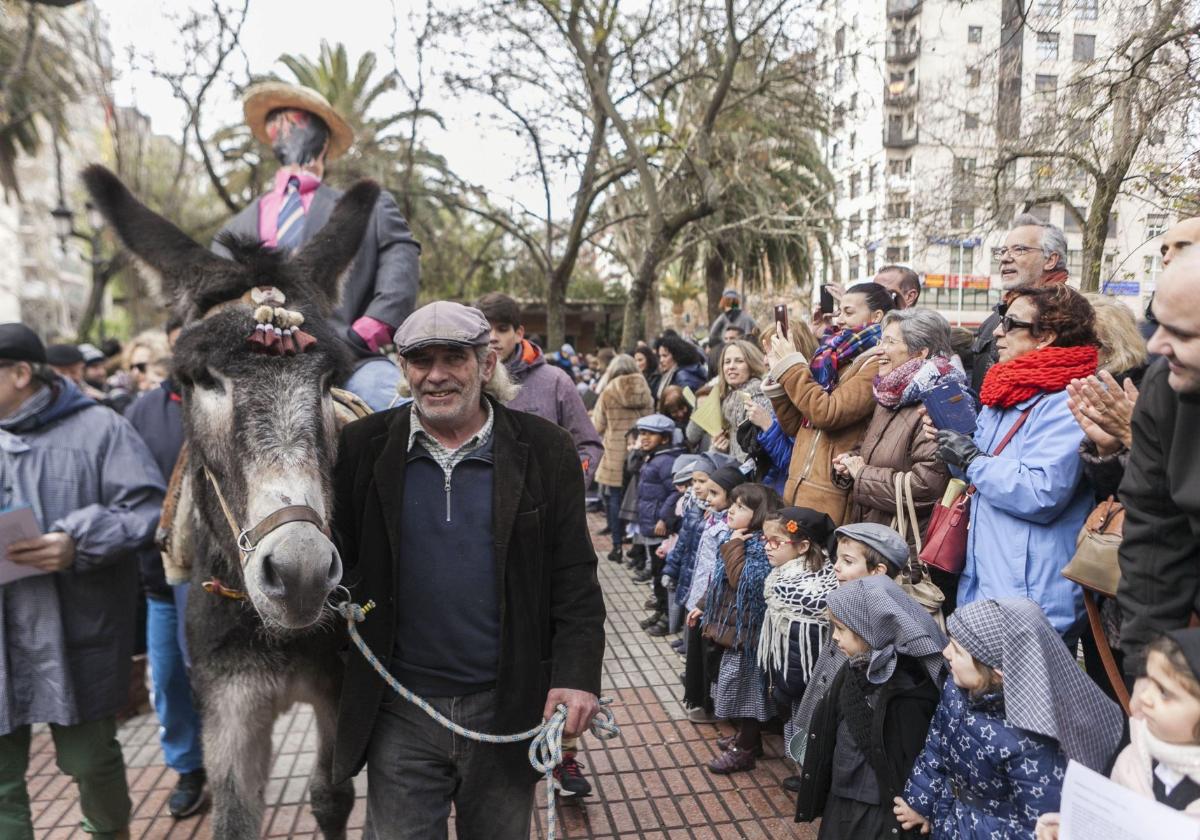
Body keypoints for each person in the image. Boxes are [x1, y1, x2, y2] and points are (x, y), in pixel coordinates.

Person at [330, 301, 606, 838]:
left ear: (486, 363)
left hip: (506, 706)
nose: (435, 375)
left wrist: (575, 676)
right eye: (419, 359)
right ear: (403, 367)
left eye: (453, 357)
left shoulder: (545, 449)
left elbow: (574, 575)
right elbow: (337, 565)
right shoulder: (362, 447)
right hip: (400, 711)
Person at [0, 324, 165, 840]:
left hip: (76, 630)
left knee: (91, 761)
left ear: (21, 374)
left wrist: (77, 541)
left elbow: (148, 509)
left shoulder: (99, 427)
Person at [212, 82, 421, 411]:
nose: (284, 130)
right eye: (275, 123)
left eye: (295, 122)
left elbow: (401, 270)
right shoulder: (234, 229)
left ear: (323, 140)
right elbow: (216, 300)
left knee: (395, 406)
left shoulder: (372, 207)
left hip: (351, 365)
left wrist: (360, 336)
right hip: (254, 368)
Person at [930, 283, 1098, 637]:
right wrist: (954, 446)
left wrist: (973, 459)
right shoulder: (1005, 390)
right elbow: (982, 473)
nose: (997, 331)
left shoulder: (1069, 400)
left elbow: (1042, 492)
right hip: (990, 579)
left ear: (1047, 336)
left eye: (1011, 323)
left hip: (1030, 595)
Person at [895, 598, 1124, 840]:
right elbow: (936, 746)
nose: (945, 652)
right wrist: (920, 801)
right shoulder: (956, 688)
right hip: (949, 817)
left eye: (958, 650)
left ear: (997, 674)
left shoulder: (1034, 742)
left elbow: (1036, 826)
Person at [122, 331, 207, 819]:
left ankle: (232, 763)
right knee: (171, 678)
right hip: (162, 580)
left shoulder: (234, 393)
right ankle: (188, 766)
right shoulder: (139, 414)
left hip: (225, 582)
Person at [795, 576, 945, 839]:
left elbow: (908, 759)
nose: (835, 637)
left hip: (876, 810)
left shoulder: (907, 690)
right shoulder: (855, 665)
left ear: (868, 630)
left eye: (841, 629)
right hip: (844, 793)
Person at [834, 308, 961, 606]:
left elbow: (926, 487)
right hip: (876, 540)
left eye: (890, 342)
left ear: (921, 351)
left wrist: (861, 474)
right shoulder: (890, 395)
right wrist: (847, 465)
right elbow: (871, 452)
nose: (879, 350)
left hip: (905, 556)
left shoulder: (940, 400)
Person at [1117, 250, 1200, 677]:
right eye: (1157, 321)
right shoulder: (1165, 384)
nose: (1154, 345)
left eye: (1182, 333)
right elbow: (1154, 531)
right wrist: (1150, 674)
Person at [1037, 627, 1200, 838]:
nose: (1144, 697)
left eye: (1164, 692)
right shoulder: (1134, 757)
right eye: (1148, 680)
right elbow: (1109, 825)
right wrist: (1068, 831)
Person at [764, 282, 897, 522]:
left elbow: (827, 413)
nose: (840, 320)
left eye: (848, 312)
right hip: (799, 491)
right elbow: (797, 426)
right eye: (839, 312)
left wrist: (792, 366)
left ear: (877, 316)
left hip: (832, 501)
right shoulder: (831, 356)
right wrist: (779, 380)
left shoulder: (877, 364)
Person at [784, 523, 909, 772]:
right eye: (836, 558)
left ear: (878, 572)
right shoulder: (845, 599)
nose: (836, 567)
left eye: (848, 561)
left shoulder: (878, 621)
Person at [476, 292, 603, 483]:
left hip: (543, 509)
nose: (493, 338)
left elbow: (588, 446)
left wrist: (567, 493)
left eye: (502, 329)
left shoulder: (556, 382)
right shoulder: (465, 383)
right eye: (486, 330)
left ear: (518, 333)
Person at [700, 482, 782, 773]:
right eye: (732, 504)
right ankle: (751, 740)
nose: (731, 510)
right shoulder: (743, 537)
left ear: (759, 513)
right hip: (737, 629)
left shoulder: (762, 544)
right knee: (740, 686)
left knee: (749, 690)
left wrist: (734, 544)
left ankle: (745, 750)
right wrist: (701, 604)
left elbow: (743, 582)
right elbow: (721, 579)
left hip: (751, 633)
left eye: (740, 507)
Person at [759, 506, 837, 791]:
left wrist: (784, 688)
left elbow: (800, 652)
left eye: (775, 542)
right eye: (764, 539)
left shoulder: (807, 595)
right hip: (793, 680)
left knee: (806, 723)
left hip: (802, 683)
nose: (767, 548)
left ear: (803, 546)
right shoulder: (784, 577)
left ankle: (809, 775)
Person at [972, 214, 1070, 392]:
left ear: (1050, 260)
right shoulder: (992, 322)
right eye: (1003, 251)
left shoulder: (1074, 319)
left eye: (1019, 250)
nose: (1005, 259)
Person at [682, 465, 744, 722]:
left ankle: (713, 705)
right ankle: (701, 699)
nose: (707, 498)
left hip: (714, 603)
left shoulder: (731, 530)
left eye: (714, 493)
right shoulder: (712, 518)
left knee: (711, 656)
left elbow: (724, 573)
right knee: (697, 652)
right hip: (700, 597)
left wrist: (706, 602)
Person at [591, 354, 654, 562]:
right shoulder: (645, 389)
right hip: (641, 452)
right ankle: (637, 549)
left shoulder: (608, 392)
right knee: (639, 499)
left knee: (615, 499)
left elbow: (597, 426)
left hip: (615, 453)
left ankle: (617, 547)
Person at [631, 413, 686, 635]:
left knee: (662, 572)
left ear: (664, 438)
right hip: (650, 524)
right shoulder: (652, 457)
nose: (643, 437)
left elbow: (675, 492)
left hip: (660, 528)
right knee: (655, 572)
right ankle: (660, 610)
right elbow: (630, 469)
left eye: (650, 434)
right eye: (642, 433)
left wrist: (664, 518)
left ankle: (666, 617)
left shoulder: (667, 461)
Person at [713, 339, 772, 461]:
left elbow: (762, 448)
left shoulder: (757, 397)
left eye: (739, 361)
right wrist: (721, 448)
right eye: (727, 362)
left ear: (751, 364)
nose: (731, 367)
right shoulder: (729, 399)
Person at [654, 333, 708, 404]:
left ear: (676, 356)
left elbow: (689, 405)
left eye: (665, 356)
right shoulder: (672, 373)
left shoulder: (682, 377)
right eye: (660, 356)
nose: (661, 360)